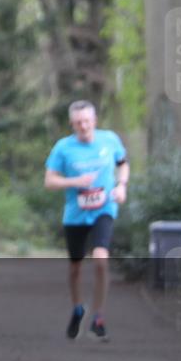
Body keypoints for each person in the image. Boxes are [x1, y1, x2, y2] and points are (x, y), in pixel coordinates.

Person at [44, 100, 129, 341]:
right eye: (78, 122)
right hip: (75, 214)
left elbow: (123, 165)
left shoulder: (109, 140)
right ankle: (77, 308)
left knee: (101, 258)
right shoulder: (63, 148)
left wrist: (121, 186)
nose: (83, 126)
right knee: (75, 268)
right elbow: (49, 181)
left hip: (104, 208)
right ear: (72, 124)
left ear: (95, 121)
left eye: (87, 121)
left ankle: (99, 316)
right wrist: (74, 182)